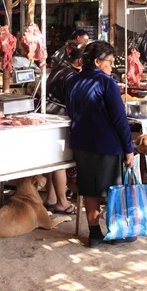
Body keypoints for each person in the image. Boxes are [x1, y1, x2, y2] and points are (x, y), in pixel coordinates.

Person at [65, 41, 136, 247]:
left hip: (81, 142)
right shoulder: (107, 83)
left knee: (90, 189)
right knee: (113, 189)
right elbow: (119, 119)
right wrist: (128, 148)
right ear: (97, 62)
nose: (112, 66)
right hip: (107, 143)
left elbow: (70, 110)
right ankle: (115, 232)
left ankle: (94, 234)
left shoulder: (72, 81)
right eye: (110, 62)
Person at [43, 41, 84, 215]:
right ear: (80, 60)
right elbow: (74, 102)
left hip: (50, 116)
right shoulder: (69, 76)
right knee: (61, 160)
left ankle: (52, 198)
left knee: (54, 159)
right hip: (59, 118)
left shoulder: (60, 67)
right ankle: (62, 202)